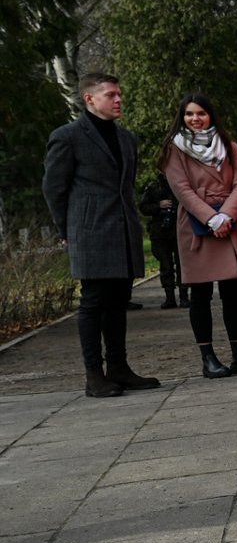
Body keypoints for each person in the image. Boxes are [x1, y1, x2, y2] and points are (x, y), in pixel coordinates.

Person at [42, 72, 160, 398]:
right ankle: (94, 375)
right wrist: (65, 229)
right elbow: (54, 188)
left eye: (119, 94)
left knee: (118, 302)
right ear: (90, 98)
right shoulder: (68, 137)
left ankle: (118, 367)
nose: (118, 99)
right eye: (111, 94)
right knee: (93, 303)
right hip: (89, 232)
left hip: (123, 230)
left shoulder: (126, 139)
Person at [162, 93, 237, 378]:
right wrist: (211, 217)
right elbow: (181, 189)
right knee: (201, 293)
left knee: (232, 292)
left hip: (229, 222)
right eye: (189, 114)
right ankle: (208, 358)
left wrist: (227, 216)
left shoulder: (228, 145)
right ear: (182, 118)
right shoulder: (175, 148)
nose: (195, 119)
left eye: (201, 113)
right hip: (196, 224)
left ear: (211, 115)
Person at [138, 172, 188, 309]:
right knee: (166, 266)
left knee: (182, 265)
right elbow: (143, 207)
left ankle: (184, 297)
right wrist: (158, 206)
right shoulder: (154, 187)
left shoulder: (180, 184)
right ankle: (170, 297)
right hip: (160, 231)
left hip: (179, 230)